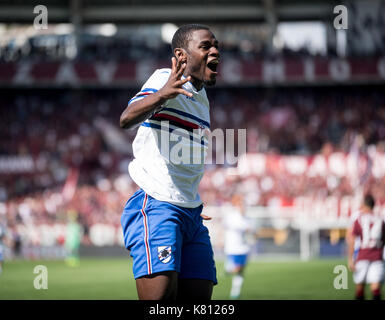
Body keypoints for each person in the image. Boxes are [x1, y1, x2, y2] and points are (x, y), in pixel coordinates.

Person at [119, 24, 220, 300]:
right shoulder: (164, 78)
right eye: (206, 46)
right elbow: (126, 119)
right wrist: (163, 93)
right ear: (182, 56)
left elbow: (186, 156)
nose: (215, 51)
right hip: (158, 207)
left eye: (216, 46)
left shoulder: (202, 98)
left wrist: (190, 197)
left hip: (190, 213)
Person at [347, 194, 385, 300]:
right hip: (377, 257)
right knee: (376, 289)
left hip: (363, 256)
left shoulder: (359, 219)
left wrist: (350, 259)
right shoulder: (381, 220)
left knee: (360, 288)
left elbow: (352, 239)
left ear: (364, 205)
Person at [223, 193, 255, 299]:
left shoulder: (247, 218)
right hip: (233, 248)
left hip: (244, 248)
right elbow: (225, 228)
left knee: (241, 271)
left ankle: (235, 292)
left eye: (243, 204)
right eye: (240, 204)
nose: (243, 207)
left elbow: (251, 231)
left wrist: (253, 234)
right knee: (238, 268)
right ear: (236, 205)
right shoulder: (232, 217)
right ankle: (228, 269)